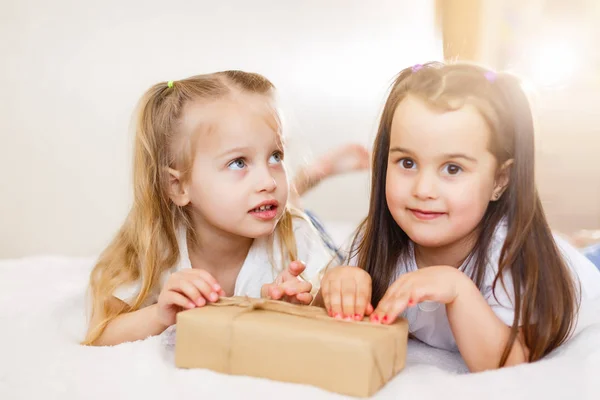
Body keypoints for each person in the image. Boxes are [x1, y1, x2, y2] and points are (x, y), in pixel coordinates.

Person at [317, 62, 600, 372]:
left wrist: (458, 290)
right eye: (407, 162)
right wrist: (338, 286)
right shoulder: (375, 243)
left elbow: (511, 364)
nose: (423, 190)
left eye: (453, 168)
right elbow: (326, 320)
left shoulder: (508, 255)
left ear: (499, 180)